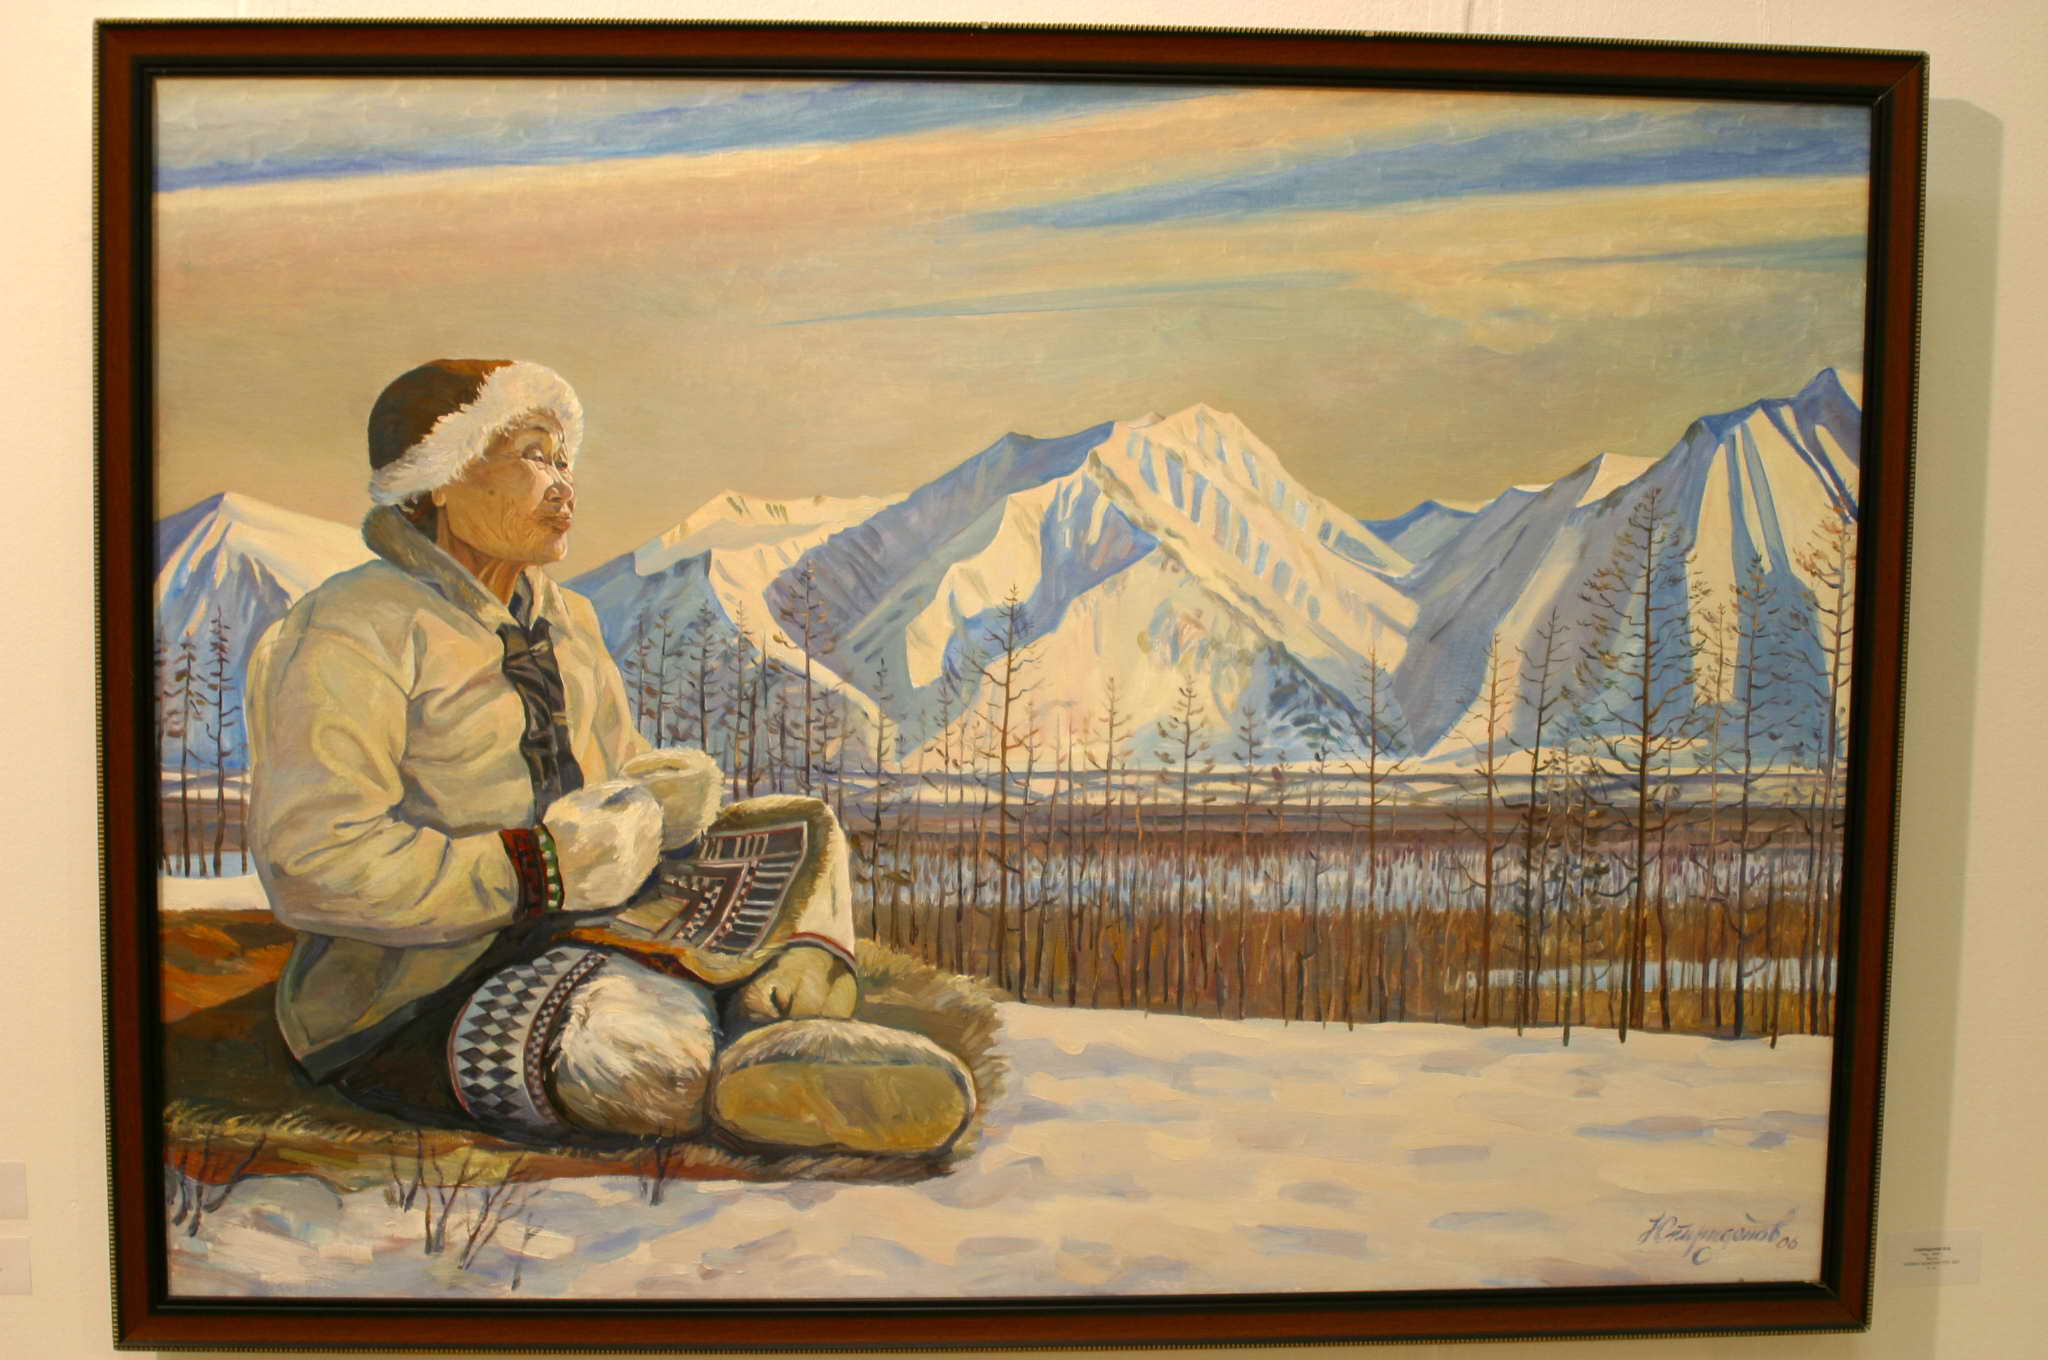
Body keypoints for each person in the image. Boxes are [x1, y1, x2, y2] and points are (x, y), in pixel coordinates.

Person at [246, 358, 973, 1154]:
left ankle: (779, 1021)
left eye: (565, 461)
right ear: (440, 478)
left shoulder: (568, 619)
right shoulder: (350, 628)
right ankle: (756, 1058)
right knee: (633, 1056)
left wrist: (661, 797)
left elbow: (610, 774)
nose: (564, 486)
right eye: (533, 456)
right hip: (419, 986)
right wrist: (539, 870)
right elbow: (313, 861)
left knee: (801, 824)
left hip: (594, 925)